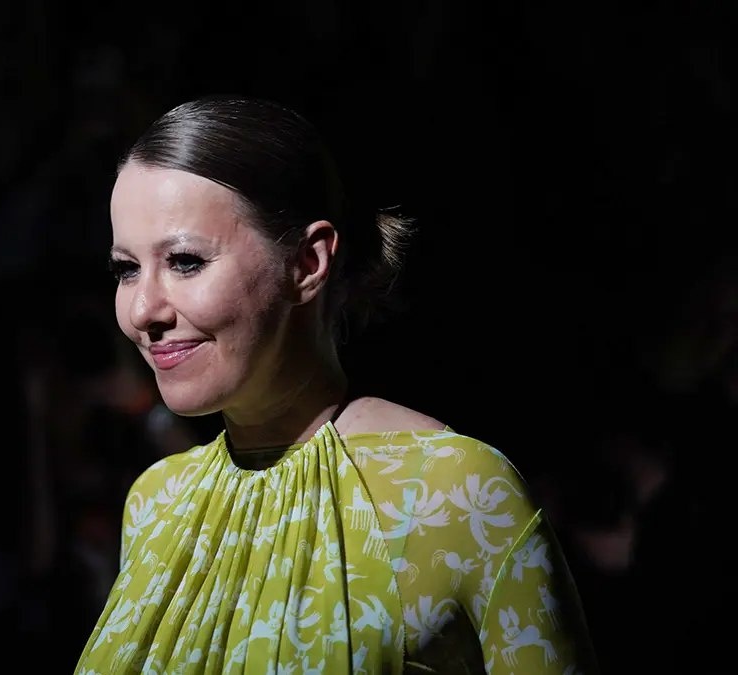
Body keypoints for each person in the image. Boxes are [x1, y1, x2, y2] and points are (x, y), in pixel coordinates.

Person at [74, 95, 599, 673]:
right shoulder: (156, 502)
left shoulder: (457, 492)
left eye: (185, 261)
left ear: (308, 262)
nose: (142, 309)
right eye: (126, 269)